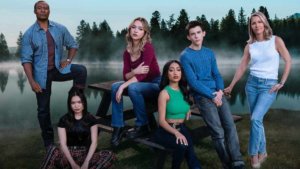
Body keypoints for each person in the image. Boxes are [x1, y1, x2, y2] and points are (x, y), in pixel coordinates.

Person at [224, 12, 292, 168]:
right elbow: (242, 66)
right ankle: (264, 151)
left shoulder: (276, 40)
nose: (257, 25)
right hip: (252, 85)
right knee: (257, 120)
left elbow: (288, 60)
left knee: (254, 119)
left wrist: (282, 82)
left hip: (269, 86)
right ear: (251, 26)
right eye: (253, 23)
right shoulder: (250, 46)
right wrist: (231, 85)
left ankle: (254, 157)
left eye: (259, 22)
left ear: (265, 23)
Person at [20, 0, 87, 148]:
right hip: (41, 75)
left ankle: (75, 101)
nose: (43, 10)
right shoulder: (29, 34)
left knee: (81, 70)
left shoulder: (59, 29)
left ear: (49, 11)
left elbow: (73, 44)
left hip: (58, 69)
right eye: (40, 8)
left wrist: (68, 60)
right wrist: (32, 81)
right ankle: (48, 141)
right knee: (43, 109)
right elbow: (26, 60)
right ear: (35, 11)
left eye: (46, 8)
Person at [180, 21, 245, 169]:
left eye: (198, 32)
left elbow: (216, 74)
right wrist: (212, 95)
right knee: (217, 131)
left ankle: (237, 161)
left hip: (217, 93)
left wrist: (220, 91)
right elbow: (193, 82)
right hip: (202, 96)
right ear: (188, 37)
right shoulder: (185, 56)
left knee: (230, 126)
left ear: (204, 33)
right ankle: (227, 163)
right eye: (192, 34)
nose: (196, 36)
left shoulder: (209, 53)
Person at [110, 17, 161, 147]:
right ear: (129, 30)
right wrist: (135, 71)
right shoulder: (126, 53)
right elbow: (126, 75)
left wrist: (124, 86)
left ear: (145, 32)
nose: (136, 31)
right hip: (138, 82)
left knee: (132, 88)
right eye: (133, 27)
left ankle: (142, 124)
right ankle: (118, 126)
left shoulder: (148, 48)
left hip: (155, 83)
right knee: (115, 86)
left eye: (140, 28)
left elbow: (143, 76)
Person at [40, 87, 115, 169]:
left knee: (109, 155)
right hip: (68, 156)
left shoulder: (91, 119)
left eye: (79, 102)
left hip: (85, 154)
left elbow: (94, 143)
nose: (76, 106)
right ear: (69, 104)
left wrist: (86, 163)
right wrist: (73, 164)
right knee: (51, 149)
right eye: (73, 103)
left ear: (84, 103)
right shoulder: (64, 120)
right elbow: (63, 144)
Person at [151, 60, 202, 169]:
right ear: (166, 74)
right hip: (166, 130)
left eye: (178, 70)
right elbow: (161, 121)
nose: (175, 73)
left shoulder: (184, 91)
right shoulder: (164, 93)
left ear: (181, 73)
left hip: (182, 128)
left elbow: (183, 104)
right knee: (182, 146)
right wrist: (176, 133)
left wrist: (187, 109)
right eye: (171, 70)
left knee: (191, 155)